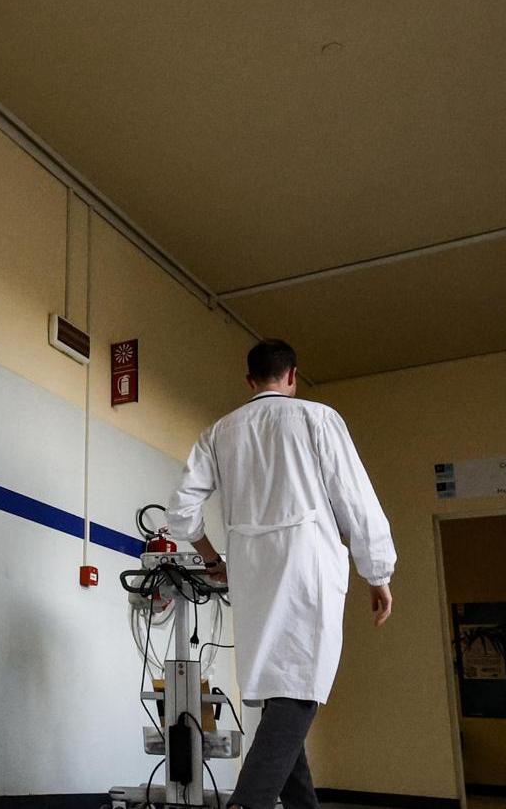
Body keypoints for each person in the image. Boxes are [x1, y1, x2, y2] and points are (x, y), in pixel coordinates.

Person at [163, 339, 397, 809]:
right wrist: (378, 572)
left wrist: (213, 560)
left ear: (250, 381)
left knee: (280, 693)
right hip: (307, 566)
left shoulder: (219, 432)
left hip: (251, 572)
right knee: (297, 693)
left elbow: (181, 512)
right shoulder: (318, 418)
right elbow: (356, 501)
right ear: (292, 376)